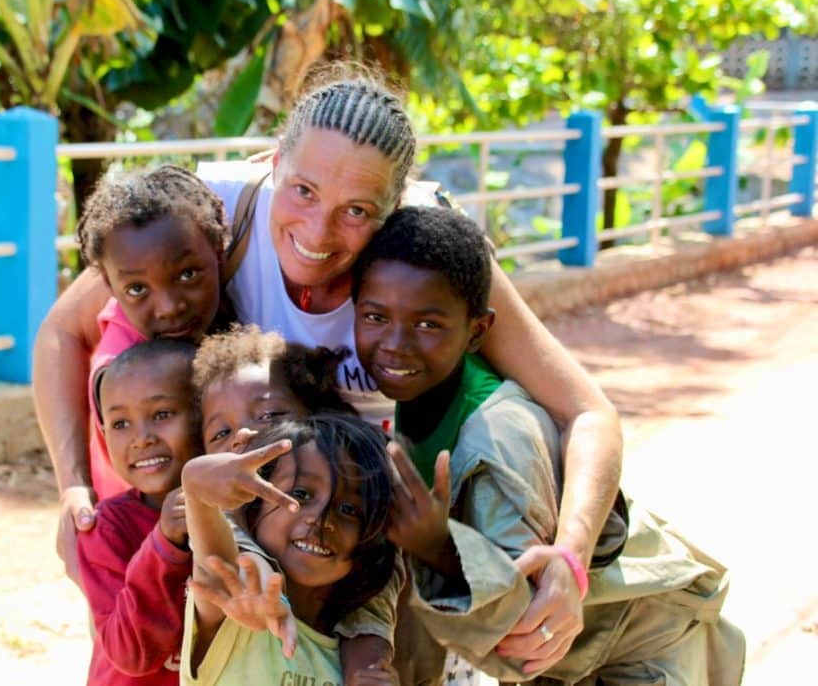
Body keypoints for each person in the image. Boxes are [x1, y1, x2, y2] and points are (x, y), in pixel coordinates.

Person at [34, 65, 622, 665]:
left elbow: (586, 411)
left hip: (365, 527)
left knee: (509, 422)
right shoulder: (214, 212)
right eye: (304, 191)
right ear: (274, 159)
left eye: (358, 210)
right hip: (234, 512)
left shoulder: (428, 245)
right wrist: (73, 488)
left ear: (397, 202)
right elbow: (62, 329)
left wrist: (571, 559)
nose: (318, 231)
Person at [350, 205, 745, 686]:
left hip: (642, 648)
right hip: (572, 658)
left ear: (477, 331)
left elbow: (528, 629)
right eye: (375, 317)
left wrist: (438, 548)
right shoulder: (408, 392)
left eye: (428, 325)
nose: (396, 343)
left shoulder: (499, 439)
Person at [191, 326, 401, 681]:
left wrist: (368, 665)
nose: (248, 437)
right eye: (221, 433)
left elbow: (380, 580)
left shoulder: (359, 572)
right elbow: (225, 551)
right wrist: (196, 481)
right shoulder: (230, 589)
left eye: (271, 416)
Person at [76, 164, 228, 509]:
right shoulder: (121, 373)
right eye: (137, 289)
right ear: (110, 287)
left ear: (220, 251)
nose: (169, 307)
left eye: (187, 274)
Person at [75, 339, 199, 686]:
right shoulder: (106, 530)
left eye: (161, 415)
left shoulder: (244, 514)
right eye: (120, 424)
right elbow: (132, 654)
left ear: (207, 415)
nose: (141, 438)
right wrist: (165, 546)